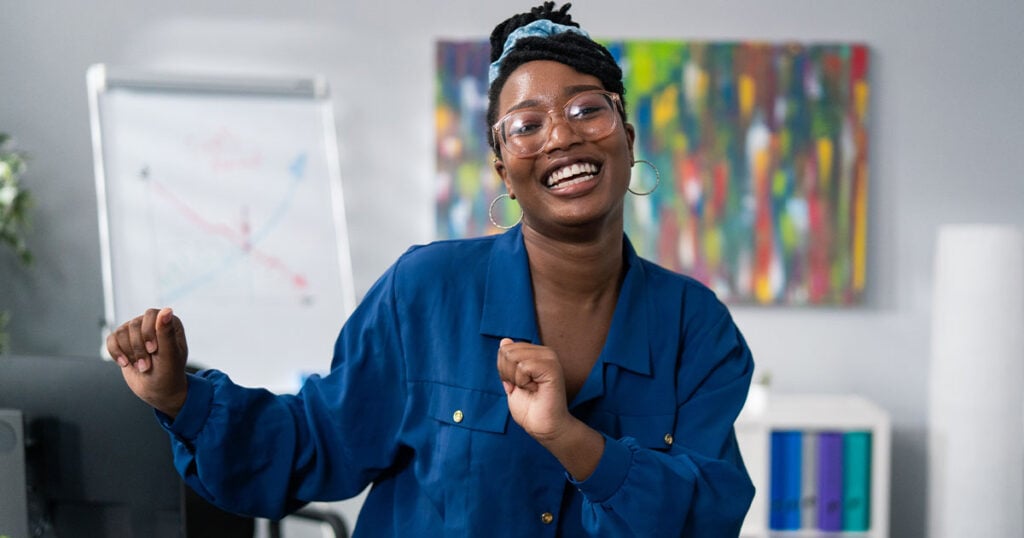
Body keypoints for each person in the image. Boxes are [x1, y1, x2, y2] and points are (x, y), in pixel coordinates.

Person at [106, 3, 756, 536]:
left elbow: (707, 513)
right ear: (503, 168)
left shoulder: (697, 330)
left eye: (588, 108)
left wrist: (567, 437)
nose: (561, 137)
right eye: (526, 125)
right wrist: (181, 400)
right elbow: (315, 445)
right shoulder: (423, 295)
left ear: (628, 136)